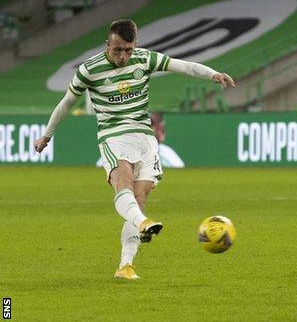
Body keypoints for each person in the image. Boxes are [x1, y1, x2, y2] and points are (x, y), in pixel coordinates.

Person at [34, 19, 235, 280]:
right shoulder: (88, 70)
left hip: (144, 136)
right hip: (113, 135)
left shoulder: (144, 59)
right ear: (108, 43)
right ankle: (142, 223)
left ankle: (126, 266)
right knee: (123, 183)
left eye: (128, 50)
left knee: (139, 200)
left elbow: (182, 65)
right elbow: (66, 104)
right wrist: (47, 135)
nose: (123, 56)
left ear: (135, 45)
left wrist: (213, 74)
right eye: (117, 50)